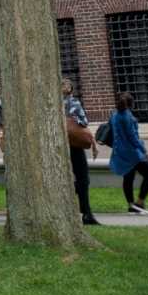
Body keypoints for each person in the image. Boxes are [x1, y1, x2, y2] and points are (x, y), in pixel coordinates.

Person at [109, 92, 148, 215]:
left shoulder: (114, 115)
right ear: (132, 104)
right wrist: (144, 151)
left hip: (120, 152)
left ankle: (131, 205)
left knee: (128, 177)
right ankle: (139, 203)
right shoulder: (127, 116)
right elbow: (133, 137)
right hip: (132, 153)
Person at [63, 81, 99, 225]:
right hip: (74, 145)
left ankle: (83, 211)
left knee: (80, 178)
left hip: (59, 145)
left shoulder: (50, 104)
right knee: (83, 178)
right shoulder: (74, 103)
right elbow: (84, 122)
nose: (65, 87)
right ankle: (86, 213)